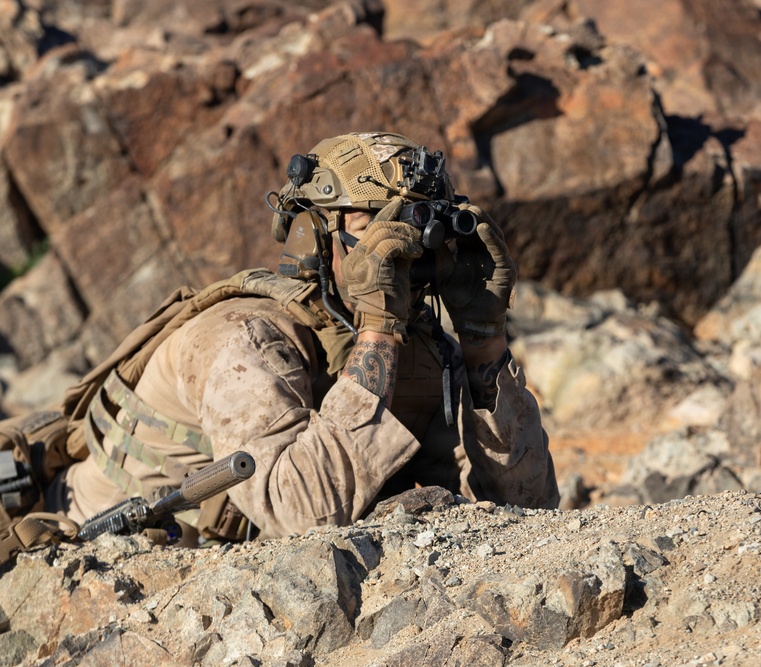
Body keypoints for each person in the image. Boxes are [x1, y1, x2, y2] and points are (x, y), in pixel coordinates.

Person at [41, 131, 559, 542]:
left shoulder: (415, 348)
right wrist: (379, 330)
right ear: (314, 235)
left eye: (414, 225)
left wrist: (483, 340)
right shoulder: (245, 338)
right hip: (102, 557)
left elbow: (527, 513)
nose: (401, 247)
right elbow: (301, 512)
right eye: (374, 226)